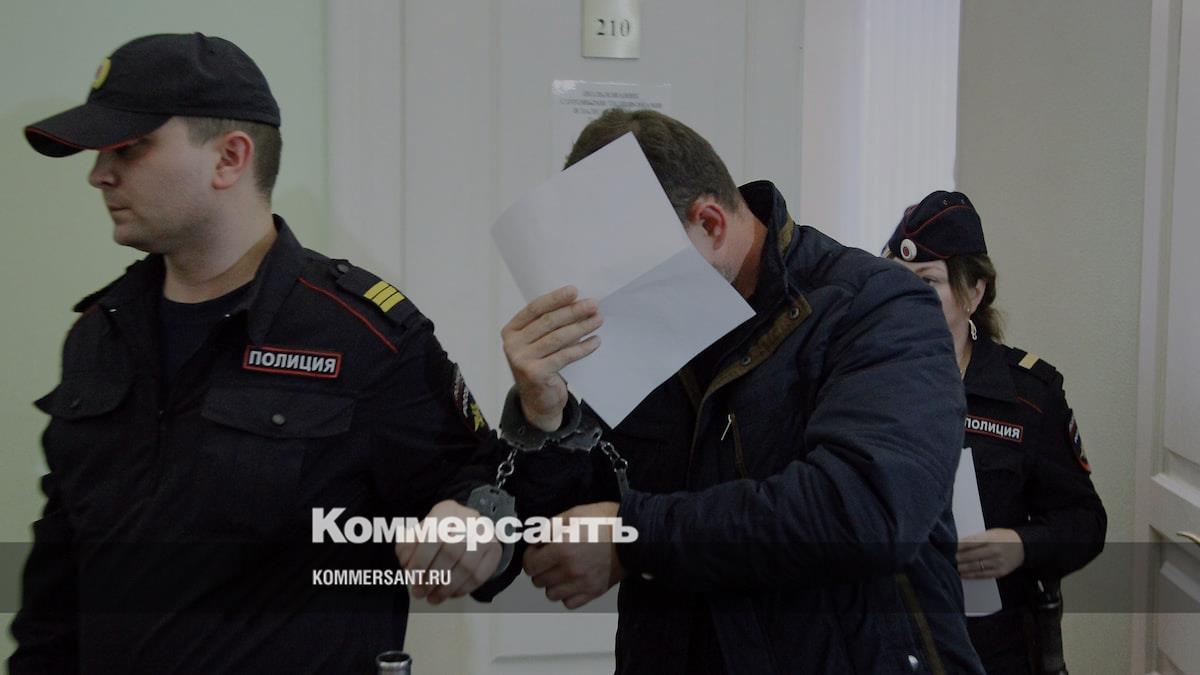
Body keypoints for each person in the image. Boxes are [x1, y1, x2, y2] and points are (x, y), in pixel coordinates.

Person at [11, 33, 503, 673]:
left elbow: (483, 490)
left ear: (229, 158)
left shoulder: (362, 335)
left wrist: (475, 524)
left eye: (128, 148)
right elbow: (58, 582)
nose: (99, 173)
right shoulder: (101, 331)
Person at [497, 109, 985, 674]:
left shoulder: (879, 307)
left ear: (710, 224)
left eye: (627, 271)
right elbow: (565, 529)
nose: (613, 296)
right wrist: (544, 415)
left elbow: (863, 513)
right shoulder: (648, 325)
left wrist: (637, 536)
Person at [884, 190, 1106, 673]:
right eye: (898, 280)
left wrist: (1021, 545)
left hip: (991, 647)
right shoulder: (864, 384)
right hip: (888, 639)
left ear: (974, 292)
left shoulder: (1028, 395)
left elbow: (1085, 522)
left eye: (928, 281)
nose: (908, 298)